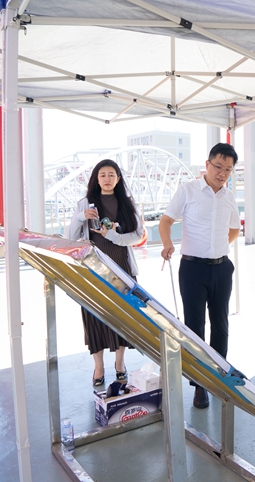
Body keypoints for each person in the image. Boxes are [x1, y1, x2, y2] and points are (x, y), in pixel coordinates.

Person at [159, 142, 241, 409]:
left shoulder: (229, 196)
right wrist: (167, 243)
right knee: (195, 327)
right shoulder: (188, 190)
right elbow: (165, 221)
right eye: (218, 167)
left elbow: (234, 230)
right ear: (207, 165)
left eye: (228, 170)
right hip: (192, 269)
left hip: (221, 268)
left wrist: (216, 248)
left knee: (221, 325)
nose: (222, 173)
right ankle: (199, 385)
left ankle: (219, 376)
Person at [66, 159, 145, 387]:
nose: (107, 179)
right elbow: (70, 236)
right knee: (94, 315)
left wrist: (113, 236)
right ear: (96, 179)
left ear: (118, 179)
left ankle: (119, 364)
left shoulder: (127, 203)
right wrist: (82, 216)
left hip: (121, 265)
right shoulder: (85, 203)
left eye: (112, 175)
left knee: (122, 314)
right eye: (103, 175)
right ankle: (98, 367)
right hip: (93, 267)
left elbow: (137, 235)